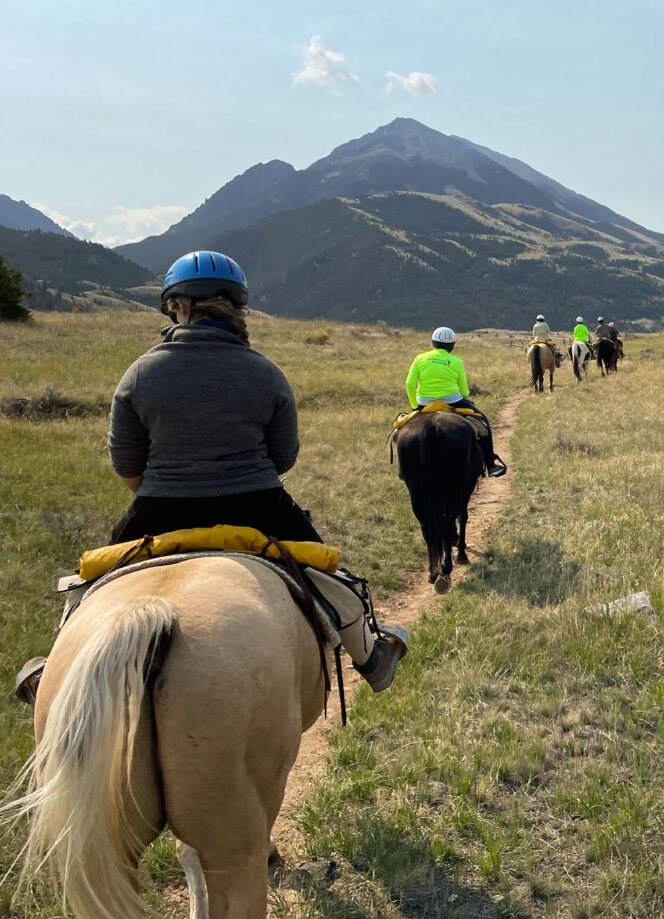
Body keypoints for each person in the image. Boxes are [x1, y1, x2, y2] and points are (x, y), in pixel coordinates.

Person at [15, 250, 405, 702]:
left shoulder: (140, 374)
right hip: (259, 504)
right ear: (237, 309)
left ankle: (54, 672)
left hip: (158, 509)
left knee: (91, 583)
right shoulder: (267, 373)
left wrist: (170, 488)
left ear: (175, 307)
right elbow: (283, 458)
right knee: (329, 576)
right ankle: (371, 659)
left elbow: (127, 466)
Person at [405, 326, 506, 478]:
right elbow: (465, 391)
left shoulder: (419, 358)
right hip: (452, 401)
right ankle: (490, 464)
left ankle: (404, 468)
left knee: (401, 427)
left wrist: (415, 406)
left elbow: (409, 384)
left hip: (424, 402)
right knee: (483, 421)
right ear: (452, 345)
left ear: (433, 343)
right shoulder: (457, 361)